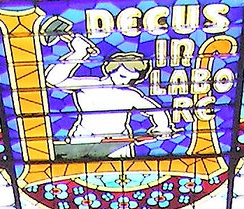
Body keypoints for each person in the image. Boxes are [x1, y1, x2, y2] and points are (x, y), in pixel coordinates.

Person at [44, 34, 172, 160]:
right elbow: (53, 80)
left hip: (118, 142)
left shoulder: (130, 94)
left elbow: (156, 111)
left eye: (130, 80)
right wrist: (78, 54)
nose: (124, 82)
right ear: (111, 69)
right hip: (84, 138)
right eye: (122, 76)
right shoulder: (89, 85)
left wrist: (162, 127)